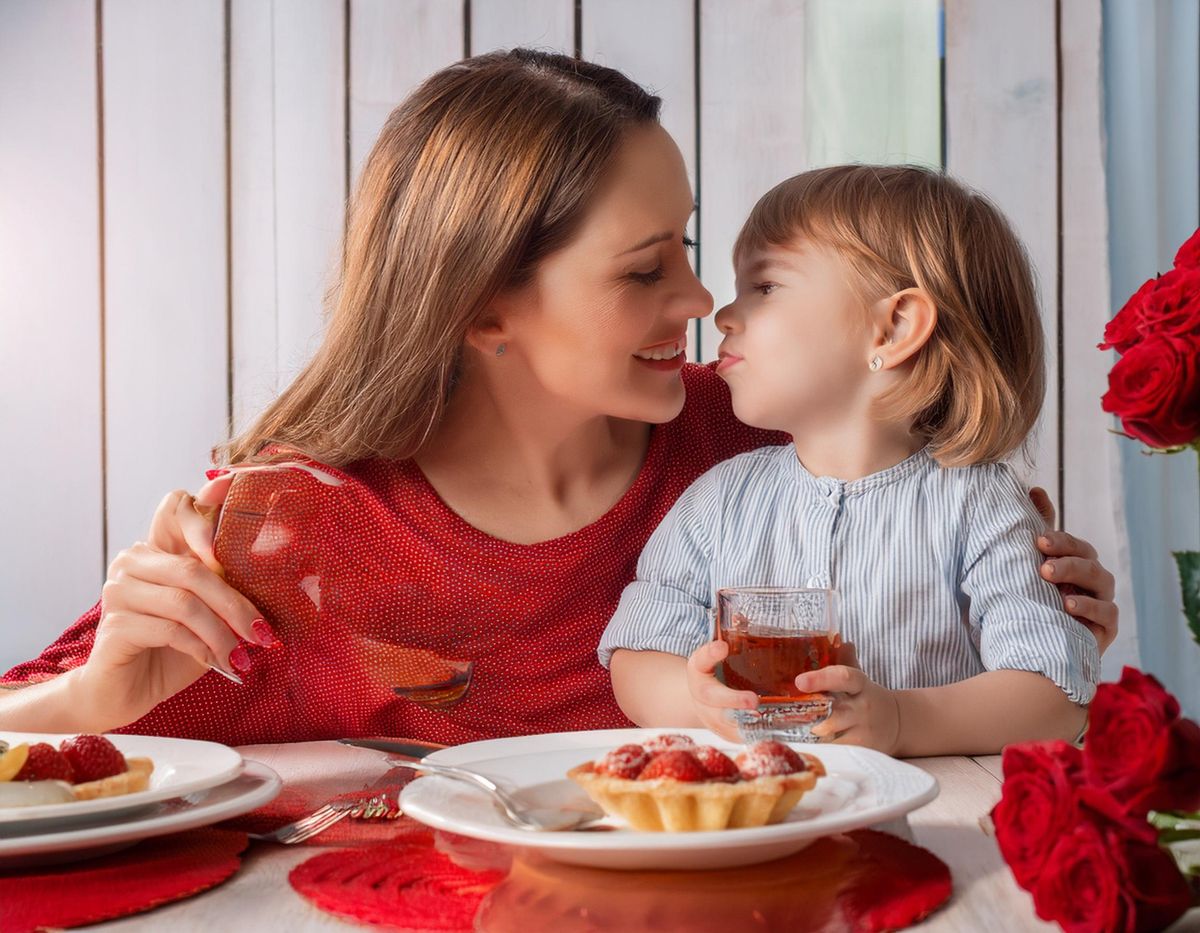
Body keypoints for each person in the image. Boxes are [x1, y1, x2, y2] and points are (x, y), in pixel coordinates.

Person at [0, 52, 1116, 747]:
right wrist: (91, 706)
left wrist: (1022, 601)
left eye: (687, 249)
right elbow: (30, 724)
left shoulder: (754, 431)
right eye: (644, 272)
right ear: (484, 307)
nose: (700, 299)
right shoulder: (305, 528)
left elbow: (969, 584)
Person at [601, 165, 1112, 757]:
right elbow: (637, 656)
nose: (723, 315)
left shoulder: (982, 503)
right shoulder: (718, 498)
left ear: (893, 327)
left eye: (764, 287)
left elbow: (1054, 694)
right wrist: (699, 702)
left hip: (934, 819)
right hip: (764, 821)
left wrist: (901, 720)